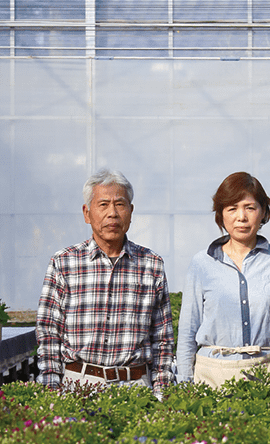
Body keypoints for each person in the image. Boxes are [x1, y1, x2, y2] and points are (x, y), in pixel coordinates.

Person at [36, 168, 174, 394]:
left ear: (131, 211)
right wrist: (52, 390)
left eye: (120, 204)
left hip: (135, 387)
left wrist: (161, 392)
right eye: (103, 205)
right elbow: (49, 333)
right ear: (87, 213)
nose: (112, 213)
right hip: (78, 385)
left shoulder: (151, 264)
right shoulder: (64, 263)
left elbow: (163, 339)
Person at [176, 172, 270, 387]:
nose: (241, 217)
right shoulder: (202, 263)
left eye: (250, 208)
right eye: (232, 208)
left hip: (269, 371)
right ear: (221, 215)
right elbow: (188, 330)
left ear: (263, 211)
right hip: (212, 374)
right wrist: (185, 382)